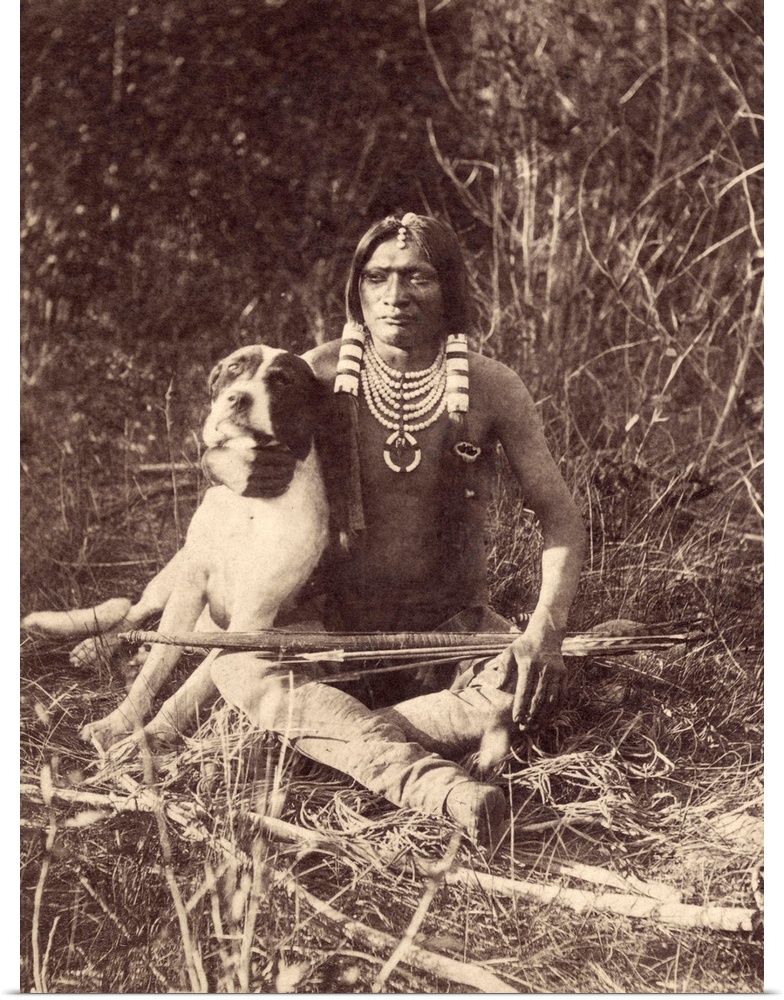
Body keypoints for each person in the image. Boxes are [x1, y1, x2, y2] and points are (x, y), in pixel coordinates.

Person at [208, 213, 586, 850]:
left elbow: (561, 518)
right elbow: (224, 437)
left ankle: (333, 741)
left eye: (419, 278)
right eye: (377, 276)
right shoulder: (317, 374)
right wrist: (222, 461)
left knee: (542, 675)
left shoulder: (493, 387)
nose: (395, 295)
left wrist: (544, 627)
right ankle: (439, 787)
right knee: (238, 666)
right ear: (356, 289)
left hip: (454, 631)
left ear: (451, 292)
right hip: (334, 634)